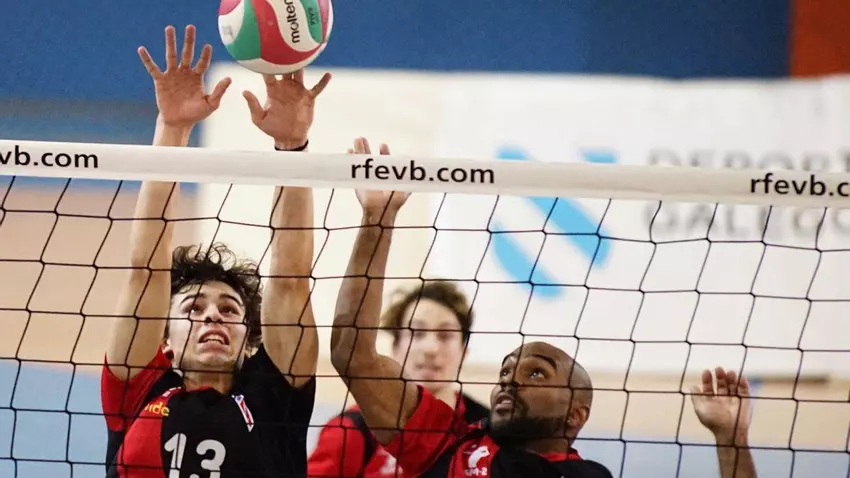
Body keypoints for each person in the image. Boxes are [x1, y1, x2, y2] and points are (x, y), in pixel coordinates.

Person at [329, 139, 759, 477]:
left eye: (536, 373)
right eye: (505, 372)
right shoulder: (451, 443)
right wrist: (377, 218)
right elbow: (353, 356)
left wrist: (731, 439)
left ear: (575, 415)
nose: (509, 381)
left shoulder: (588, 476)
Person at [100, 25, 331, 478]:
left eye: (229, 309)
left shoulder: (274, 398)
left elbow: (291, 279)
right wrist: (172, 129)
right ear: (164, 341)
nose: (212, 317)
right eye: (193, 308)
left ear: (250, 341)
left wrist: (292, 147)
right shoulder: (139, 389)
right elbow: (146, 267)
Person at [308, 281, 489, 477]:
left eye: (445, 335)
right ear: (395, 347)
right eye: (417, 333)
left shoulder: (487, 429)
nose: (431, 349)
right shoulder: (350, 429)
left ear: (464, 352)